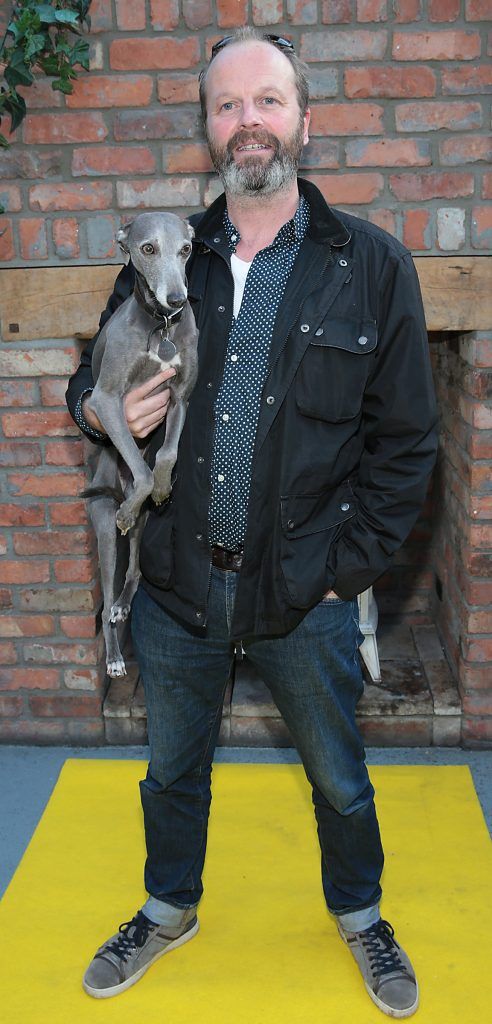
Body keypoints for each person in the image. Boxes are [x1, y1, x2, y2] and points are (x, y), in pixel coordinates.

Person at [66, 28, 437, 1017]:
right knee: (171, 772)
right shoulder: (164, 249)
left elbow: (408, 450)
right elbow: (87, 383)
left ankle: (360, 912)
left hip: (301, 588)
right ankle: (167, 905)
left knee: (340, 780)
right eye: (227, 106)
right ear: (207, 129)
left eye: (266, 101)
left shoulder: (372, 266)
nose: (248, 124)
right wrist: (111, 413)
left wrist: (340, 568)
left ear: (304, 121)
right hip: (179, 584)